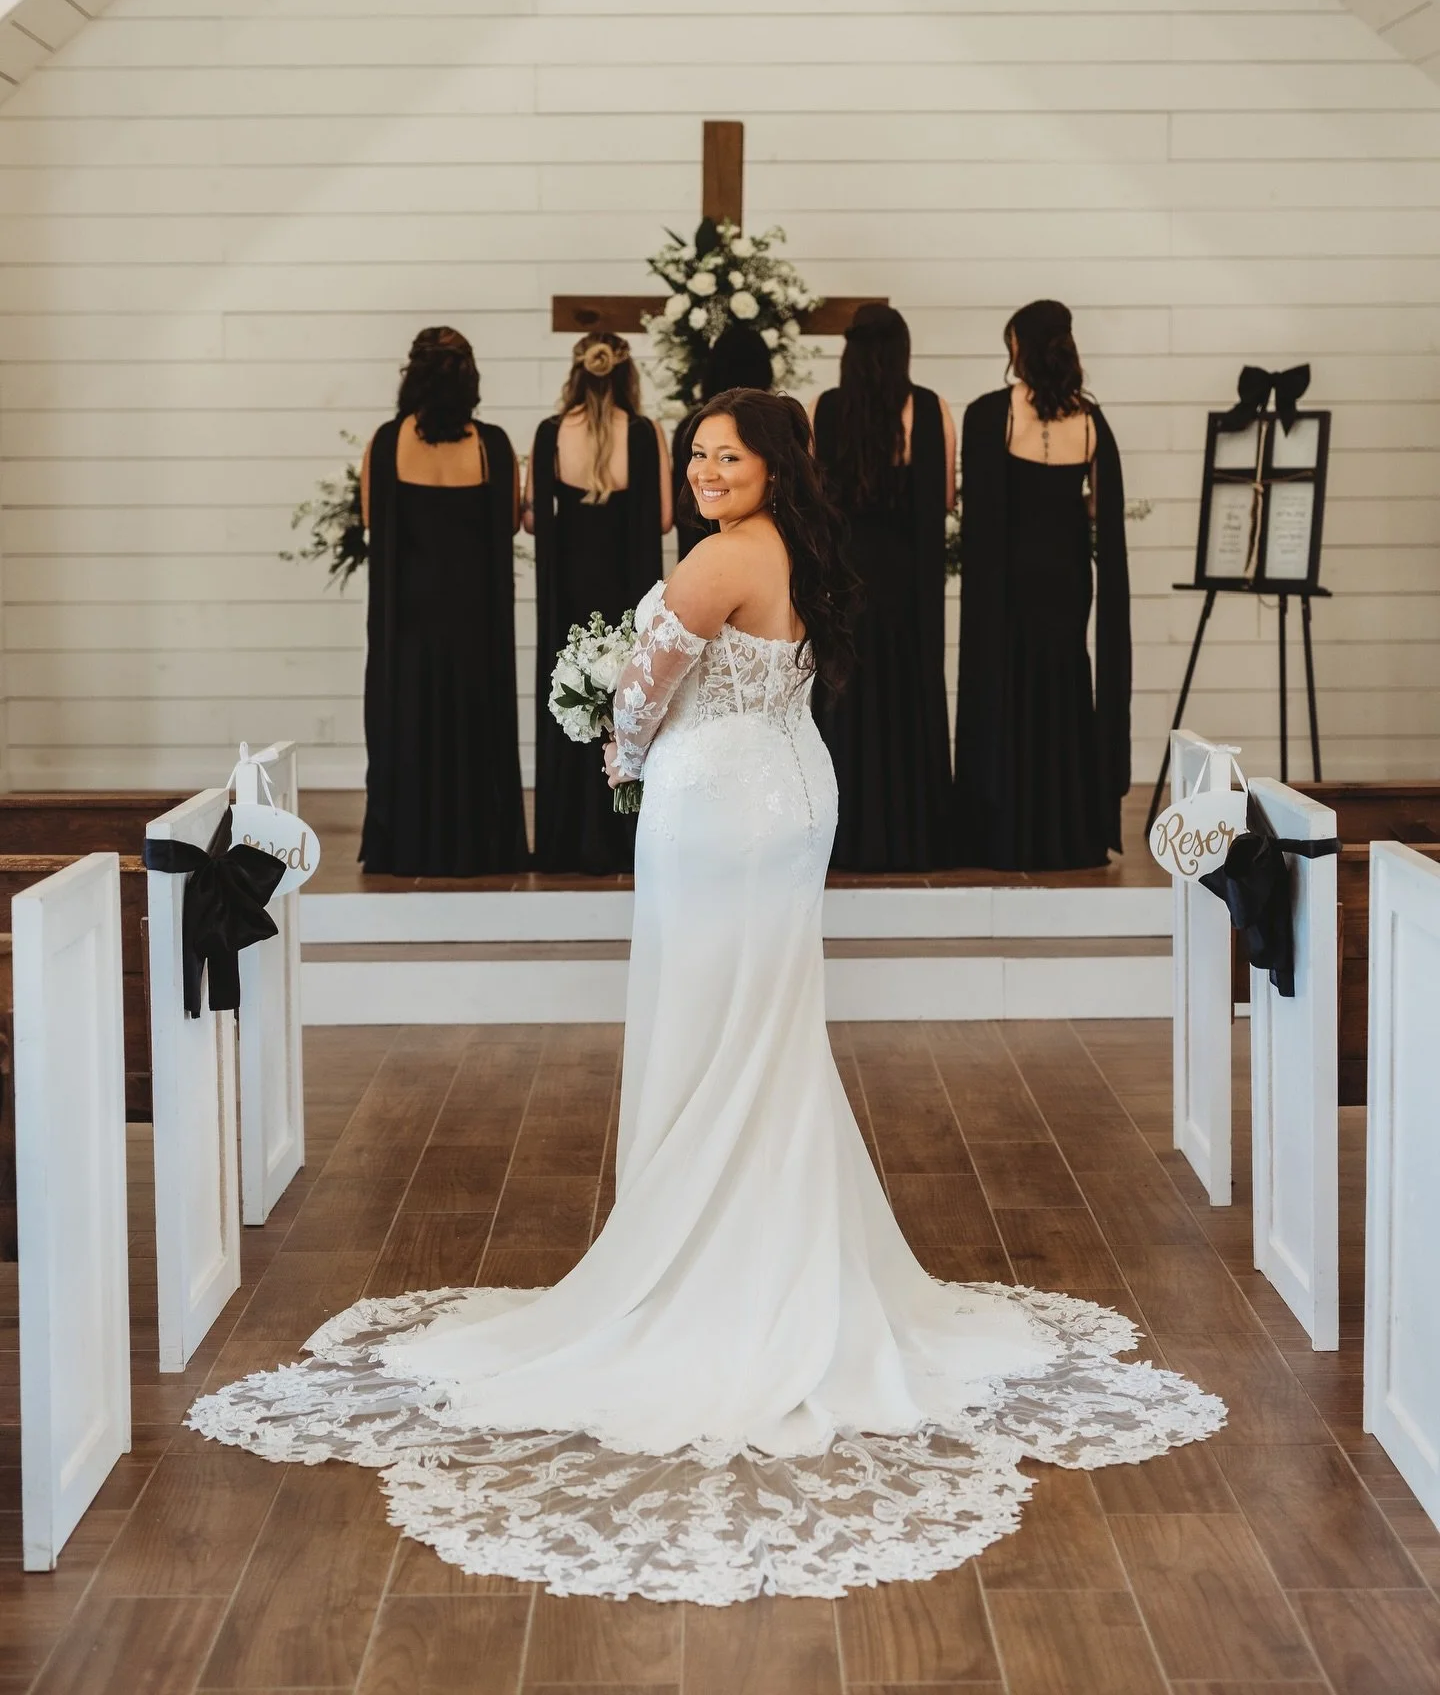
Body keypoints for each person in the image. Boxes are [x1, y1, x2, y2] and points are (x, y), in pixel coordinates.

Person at [192, 388, 1219, 1604]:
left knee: (712, 1019)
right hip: (785, 788)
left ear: (771, 465)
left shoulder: (720, 558)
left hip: (720, 803)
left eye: (725, 457)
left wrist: (618, 745)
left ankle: (709, 1261)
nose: (703, 473)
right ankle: (775, 1240)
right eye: (694, 458)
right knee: (764, 1025)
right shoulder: (787, 549)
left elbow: (638, 691)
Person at [953, 300, 1131, 870]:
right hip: (1067, 576)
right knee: (1064, 686)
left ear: (1020, 349)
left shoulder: (991, 414)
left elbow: (977, 507)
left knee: (1008, 688)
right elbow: (1102, 509)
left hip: (1009, 581)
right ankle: (1067, 831)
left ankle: (1007, 830)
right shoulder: (1092, 421)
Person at [358, 326, 527, 876]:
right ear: (470, 379)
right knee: (472, 730)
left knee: (406, 727)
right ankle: (476, 844)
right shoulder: (493, 445)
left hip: (406, 620)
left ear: (412, 377)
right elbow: (506, 527)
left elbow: (369, 521)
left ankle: (405, 845)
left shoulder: (385, 443)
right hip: (474, 621)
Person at [811, 304, 955, 870]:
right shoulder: (927, 407)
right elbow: (943, 499)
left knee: (845, 699)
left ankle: (847, 834)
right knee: (907, 695)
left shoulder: (825, 408)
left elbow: (814, 499)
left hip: (845, 575)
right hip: (907, 576)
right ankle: (911, 832)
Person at [524, 333, 671, 874]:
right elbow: (660, 519)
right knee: (632, 696)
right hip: (626, 582)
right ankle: (625, 833)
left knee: (571, 695)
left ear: (577, 371)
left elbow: (534, 518)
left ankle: (568, 837)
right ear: (626, 373)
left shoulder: (548, 434)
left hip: (569, 587)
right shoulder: (644, 432)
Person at [671, 320, 774, 561]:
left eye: (728, 458)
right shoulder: (694, 427)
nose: (706, 473)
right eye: (699, 455)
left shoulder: (691, 426)